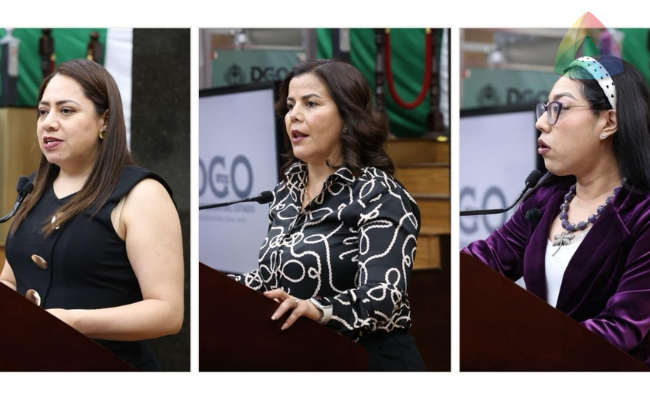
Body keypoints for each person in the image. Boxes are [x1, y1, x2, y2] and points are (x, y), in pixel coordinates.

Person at [231, 59, 426, 371]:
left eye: (310, 104)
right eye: (290, 105)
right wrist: (219, 286)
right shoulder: (287, 191)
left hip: (370, 361)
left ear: (347, 116)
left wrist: (318, 309)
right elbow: (275, 276)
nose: (294, 115)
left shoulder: (380, 195)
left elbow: (384, 297)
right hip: (306, 357)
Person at [463, 55, 650, 367]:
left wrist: (525, 350)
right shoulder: (544, 200)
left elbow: (622, 328)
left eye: (559, 108)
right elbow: (481, 265)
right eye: (545, 108)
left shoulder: (642, 215)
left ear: (608, 122)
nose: (540, 122)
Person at [0, 59, 184, 371]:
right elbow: (11, 279)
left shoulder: (142, 194)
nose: (48, 123)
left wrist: (73, 321)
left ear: (105, 121)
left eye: (66, 110)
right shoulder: (34, 187)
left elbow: (167, 313)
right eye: (43, 111)